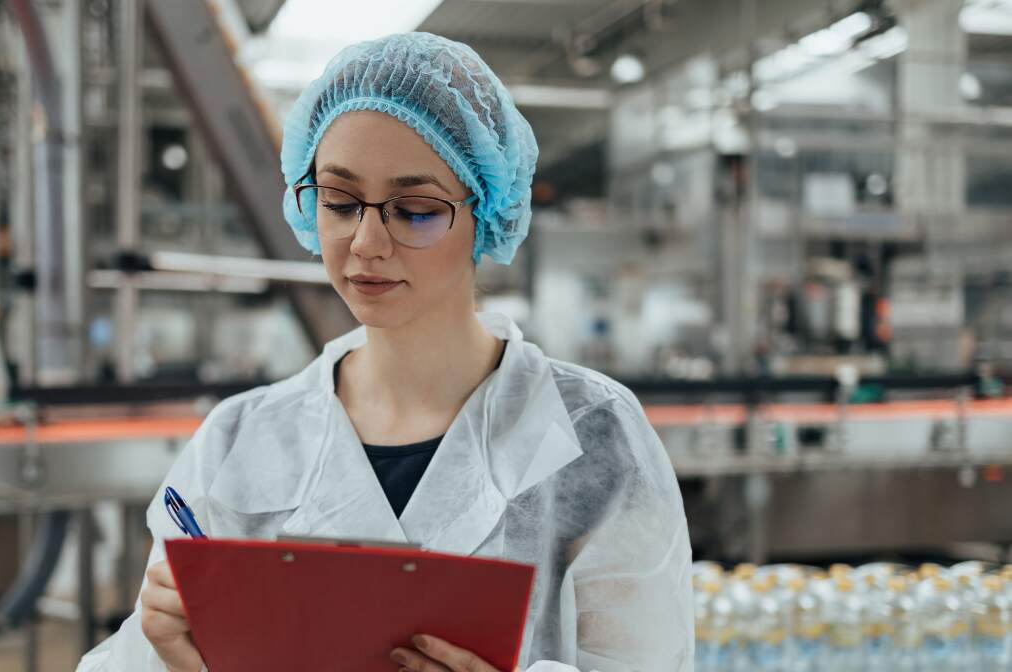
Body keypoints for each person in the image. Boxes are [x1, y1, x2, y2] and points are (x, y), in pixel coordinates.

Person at [77, 32, 693, 672]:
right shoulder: (238, 441)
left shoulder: (594, 437)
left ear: (486, 214)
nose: (365, 242)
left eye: (415, 210)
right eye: (338, 202)